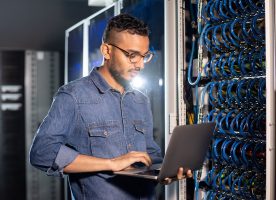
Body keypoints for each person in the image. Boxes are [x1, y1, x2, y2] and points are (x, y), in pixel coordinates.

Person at [29, 13, 192, 200]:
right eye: (132, 55)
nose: (139, 65)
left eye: (144, 56)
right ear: (106, 51)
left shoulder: (140, 100)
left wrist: (164, 172)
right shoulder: (73, 96)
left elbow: (149, 155)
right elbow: (42, 153)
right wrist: (110, 163)